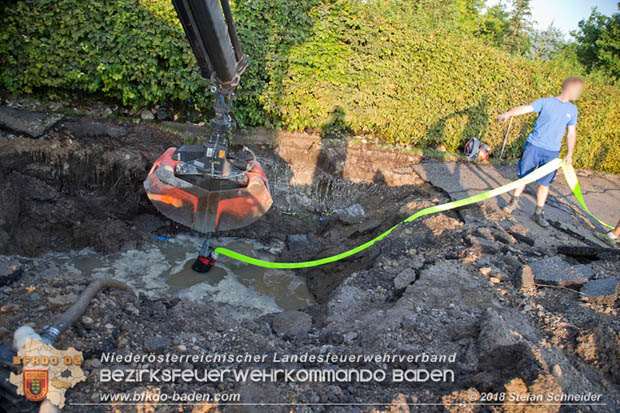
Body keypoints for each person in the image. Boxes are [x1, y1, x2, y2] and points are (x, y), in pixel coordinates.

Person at [498, 76, 585, 228]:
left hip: (552, 152)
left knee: (545, 183)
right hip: (534, 146)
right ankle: (513, 203)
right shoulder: (546, 102)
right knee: (523, 177)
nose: (579, 93)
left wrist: (569, 153)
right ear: (569, 89)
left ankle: (538, 213)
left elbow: (571, 133)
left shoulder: (572, 110)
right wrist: (508, 113)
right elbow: (525, 108)